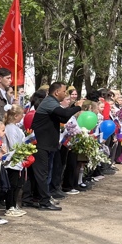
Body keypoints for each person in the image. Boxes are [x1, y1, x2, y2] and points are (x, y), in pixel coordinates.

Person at [30, 82, 81, 211]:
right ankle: (44, 202)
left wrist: (73, 108)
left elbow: (62, 119)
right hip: (41, 144)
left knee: (42, 173)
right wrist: (77, 107)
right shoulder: (49, 102)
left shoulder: (53, 103)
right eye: (64, 91)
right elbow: (64, 114)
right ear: (57, 92)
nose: (65, 94)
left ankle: (33, 198)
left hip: (47, 144)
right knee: (42, 174)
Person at [2, 105, 26, 218]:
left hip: (17, 159)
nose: (22, 117)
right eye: (21, 115)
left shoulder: (15, 127)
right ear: (16, 116)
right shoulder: (10, 128)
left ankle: (13, 205)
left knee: (16, 184)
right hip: (11, 161)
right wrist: (22, 149)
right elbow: (13, 145)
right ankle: (9, 206)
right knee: (12, 184)